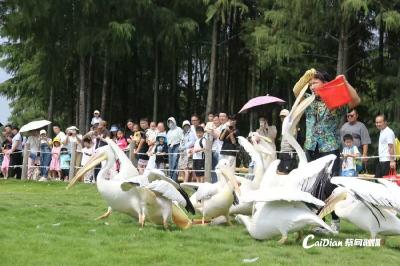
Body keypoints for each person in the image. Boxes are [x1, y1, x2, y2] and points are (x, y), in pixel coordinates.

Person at [298, 70, 360, 233]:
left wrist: (345, 82)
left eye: (315, 83)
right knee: (313, 185)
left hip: (329, 147)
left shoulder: (335, 99)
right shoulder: (309, 100)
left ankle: (335, 220)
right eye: (310, 84)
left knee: (329, 185)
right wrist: (306, 77)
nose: (312, 86)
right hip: (311, 146)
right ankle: (319, 221)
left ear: (325, 83)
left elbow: (355, 100)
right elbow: (296, 91)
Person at [340, 109, 371, 173]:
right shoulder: (344, 126)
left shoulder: (361, 126)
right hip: (346, 155)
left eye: (351, 115)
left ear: (357, 116)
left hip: (357, 154)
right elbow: (341, 141)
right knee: (345, 171)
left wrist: (364, 155)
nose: (349, 117)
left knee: (357, 170)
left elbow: (365, 141)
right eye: (348, 116)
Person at [277, 109, 297, 174]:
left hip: (289, 152)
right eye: (281, 116)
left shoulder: (292, 125)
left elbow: (293, 138)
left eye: (284, 116)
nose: (282, 118)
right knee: (280, 171)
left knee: (287, 173)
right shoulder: (284, 126)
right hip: (282, 151)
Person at [166, 117, 183, 181]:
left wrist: (180, 146)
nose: (170, 124)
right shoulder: (169, 131)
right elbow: (167, 140)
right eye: (169, 122)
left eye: (171, 122)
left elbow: (182, 138)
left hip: (177, 146)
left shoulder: (179, 129)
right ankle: (171, 178)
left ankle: (174, 178)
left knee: (175, 162)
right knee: (170, 162)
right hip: (170, 147)